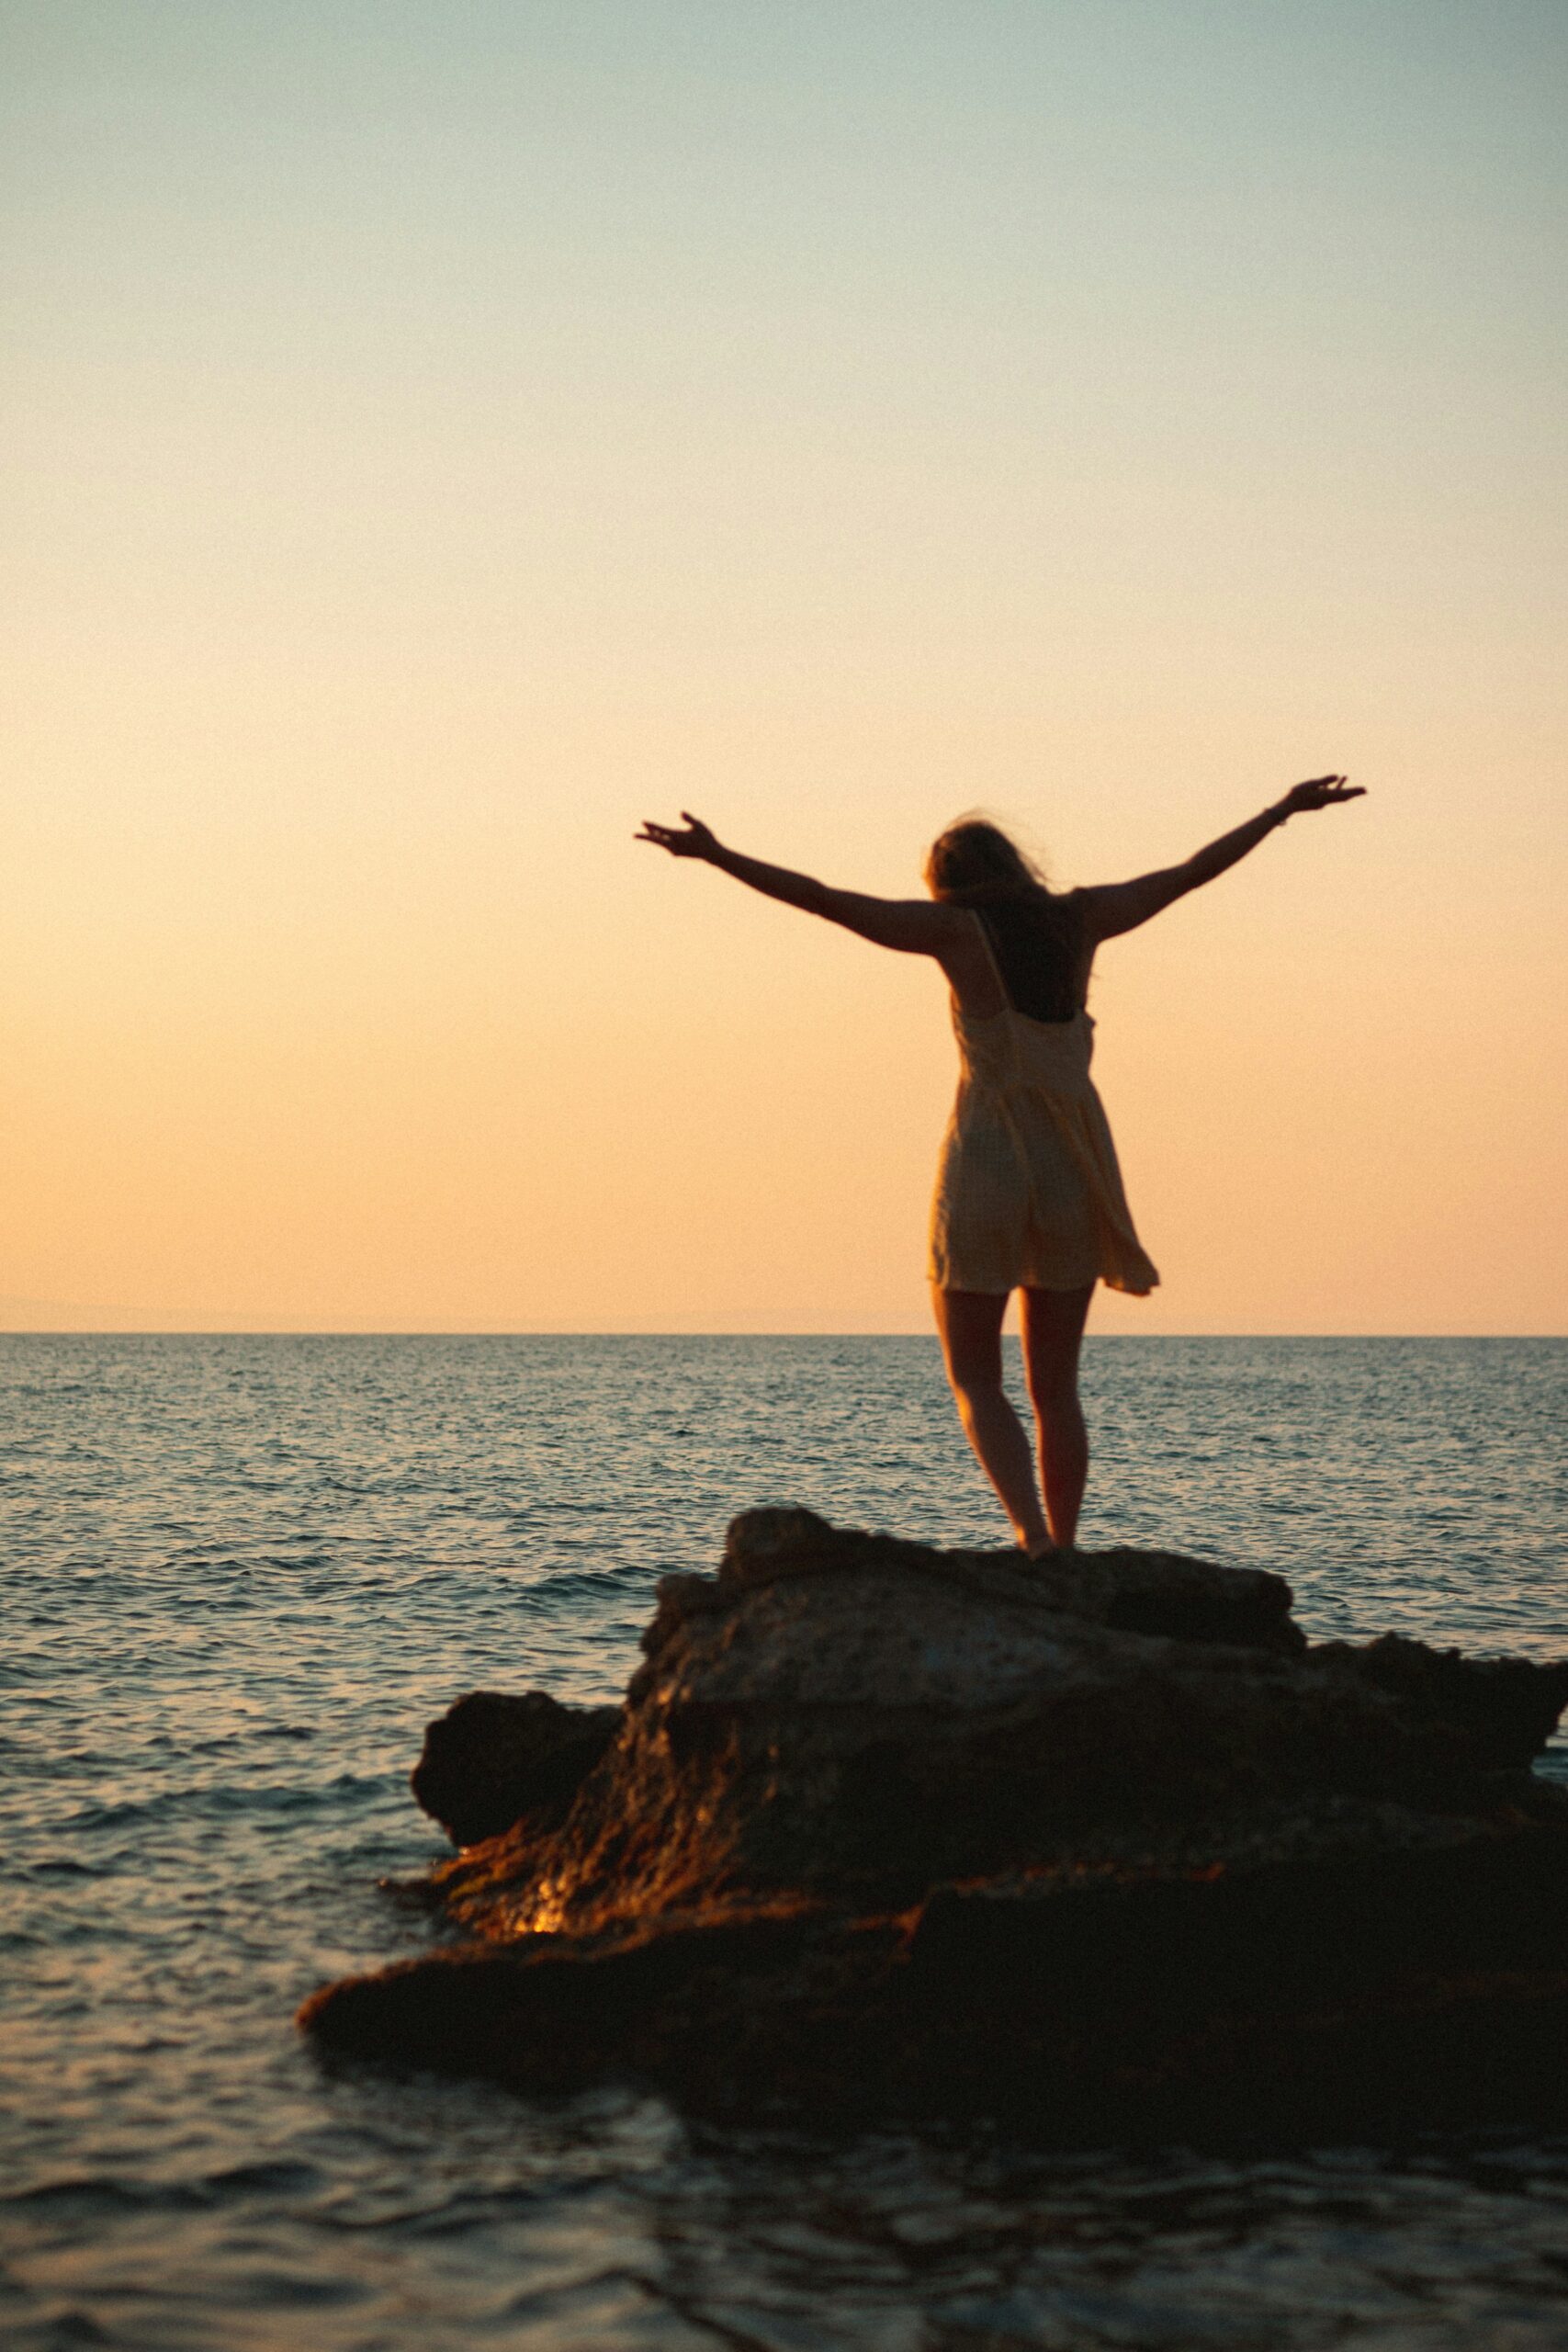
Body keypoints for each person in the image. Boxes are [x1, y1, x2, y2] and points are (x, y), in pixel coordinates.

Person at [637, 776, 1364, 1556]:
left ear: (945, 884)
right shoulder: (1081, 918)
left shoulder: (953, 931)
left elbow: (821, 898)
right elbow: (1190, 873)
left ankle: (1030, 1538)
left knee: (976, 1379)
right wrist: (1278, 812)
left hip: (987, 1154)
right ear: (1015, 864)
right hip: (1074, 1159)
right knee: (1055, 1387)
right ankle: (1067, 1545)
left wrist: (715, 856)